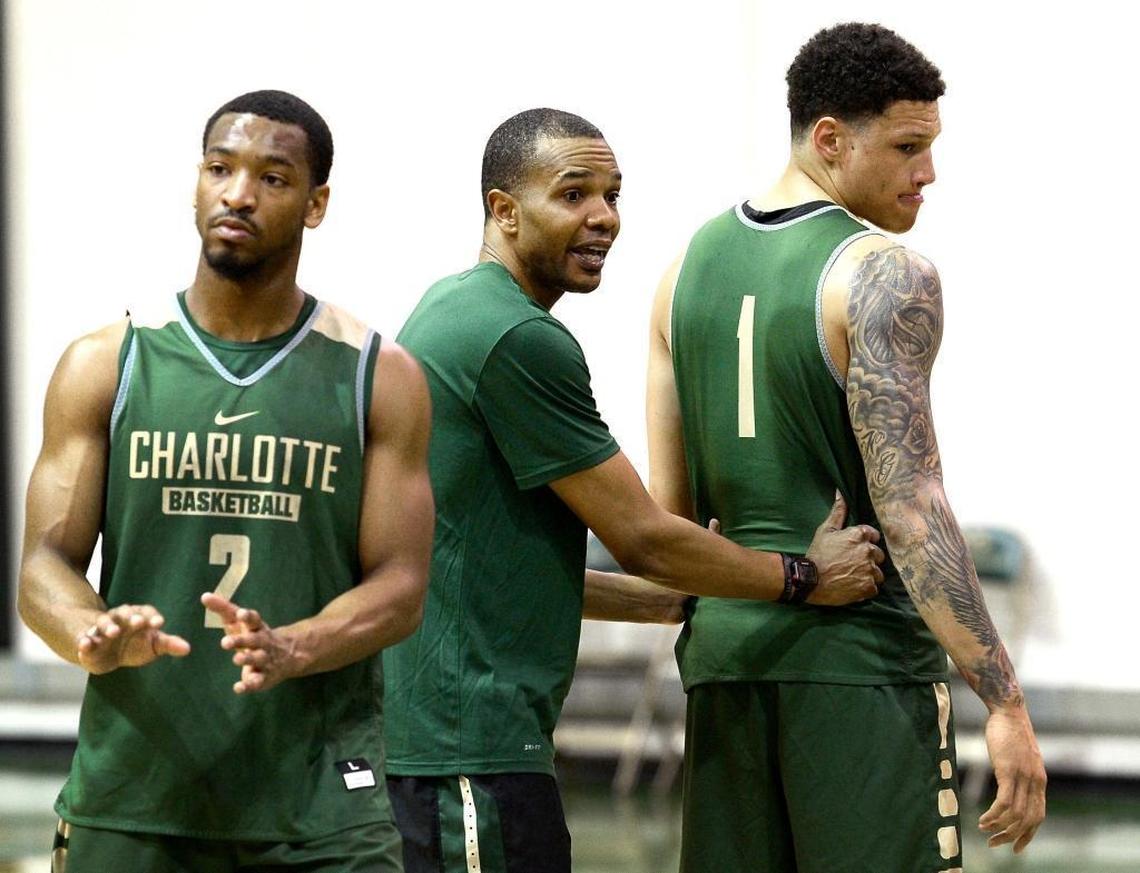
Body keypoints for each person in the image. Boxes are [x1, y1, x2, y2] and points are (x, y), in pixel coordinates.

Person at [383, 107, 886, 873]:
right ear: (503, 210)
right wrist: (802, 578)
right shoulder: (519, 339)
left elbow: (507, 567)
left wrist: (679, 600)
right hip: (470, 755)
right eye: (574, 194)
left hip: (441, 746)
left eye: (614, 195)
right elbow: (643, 535)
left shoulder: (449, 305)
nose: (604, 218)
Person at [646, 22, 1047, 873]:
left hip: (724, 666)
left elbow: (669, 525)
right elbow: (911, 510)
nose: (927, 173)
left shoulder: (682, 271)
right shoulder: (885, 271)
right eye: (907, 147)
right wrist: (1004, 700)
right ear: (831, 139)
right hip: (861, 672)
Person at [17, 89, 434, 872]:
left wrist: (294, 646)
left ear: (316, 205)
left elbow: (402, 584)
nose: (238, 193)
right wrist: (91, 633)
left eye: (272, 178)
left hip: (321, 815)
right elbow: (44, 565)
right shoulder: (107, 363)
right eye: (220, 168)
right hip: (133, 799)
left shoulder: (380, 377)